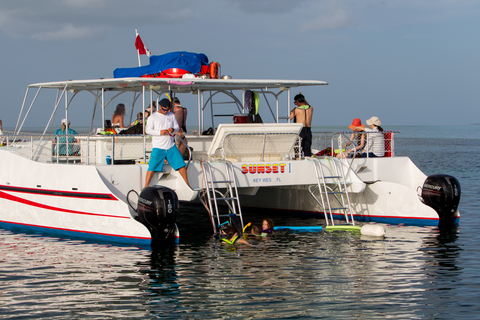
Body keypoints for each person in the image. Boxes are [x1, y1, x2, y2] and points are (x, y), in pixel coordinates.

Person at [144, 98, 190, 188]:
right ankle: (145, 186)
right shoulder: (152, 117)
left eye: (168, 109)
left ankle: (187, 184)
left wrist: (173, 129)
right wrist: (160, 132)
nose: (166, 111)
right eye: (164, 109)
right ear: (160, 107)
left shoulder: (171, 115)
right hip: (158, 146)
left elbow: (176, 127)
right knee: (152, 167)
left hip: (170, 146)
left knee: (181, 164)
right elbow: (147, 130)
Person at [290, 93, 313, 157]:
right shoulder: (310, 109)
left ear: (297, 101)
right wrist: (303, 98)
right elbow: (308, 105)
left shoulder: (296, 110)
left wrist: (292, 111)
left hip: (300, 130)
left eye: (295, 102)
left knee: (297, 149)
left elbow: (289, 117)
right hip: (308, 131)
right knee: (307, 149)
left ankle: (297, 159)